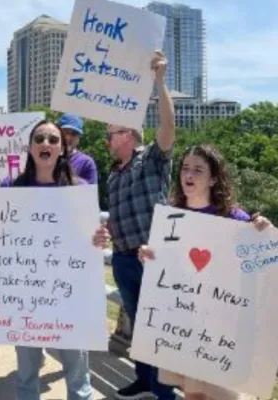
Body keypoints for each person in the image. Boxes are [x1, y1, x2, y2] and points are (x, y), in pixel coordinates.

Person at [138, 145, 273, 400]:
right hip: (183, 322)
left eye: (198, 170)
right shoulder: (173, 217)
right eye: (185, 168)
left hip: (222, 327)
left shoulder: (236, 219)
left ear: (213, 178)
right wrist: (148, 256)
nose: (189, 175)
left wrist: (262, 229)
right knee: (193, 392)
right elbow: (166, 268)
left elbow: (260, 264)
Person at [2, 120, 110, 400]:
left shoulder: (81, 189)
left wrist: (98, 240)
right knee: (26, 374)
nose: (46, 144)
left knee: (77, 375)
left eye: (53, 139)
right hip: (25, 294)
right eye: (39, 138)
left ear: (63, 148)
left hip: (70, 295)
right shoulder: (10, 188)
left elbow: (89, 239)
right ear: (30, 147)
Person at [106, 51, 177, 400]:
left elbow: (168, 128)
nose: (107, 138)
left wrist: (159, 81)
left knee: (157, 329)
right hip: (121, 259)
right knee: (138, 324)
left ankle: (164, 391)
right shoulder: (112, 174)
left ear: (130, 135)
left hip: (152, 258)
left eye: (112, 133)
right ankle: (145, 380)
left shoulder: (151, 158)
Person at [57, 113, 98, 184]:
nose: (68, 138)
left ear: (79, 138)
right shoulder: (48, 157)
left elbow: (90, 193)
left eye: (74, 134)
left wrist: (70, 179)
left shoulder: (87, 163)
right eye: (65, 132)